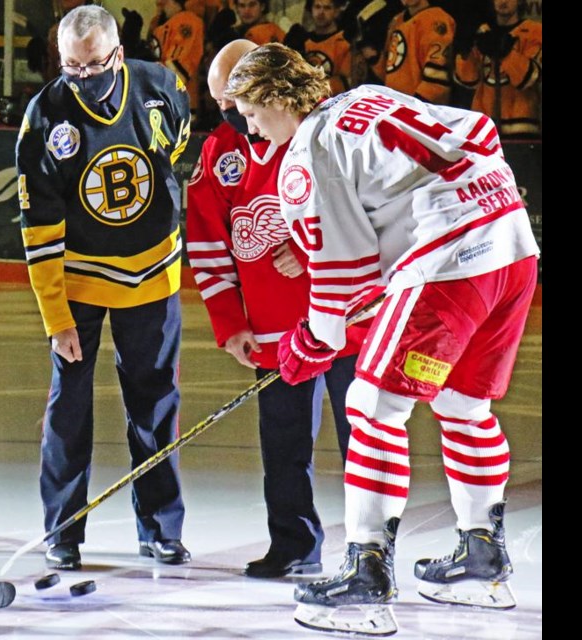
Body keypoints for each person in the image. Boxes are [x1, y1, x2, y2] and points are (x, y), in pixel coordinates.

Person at [226, 43, 538, 633]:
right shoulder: (368, 98)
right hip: (512, 245)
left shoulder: (306, 156)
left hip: (451, 261)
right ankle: (482, 559)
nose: (250, 126)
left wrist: (308, 347)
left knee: (371, 406)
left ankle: (366, 576)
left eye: (249, 111)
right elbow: (479, 130)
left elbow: (339, 286)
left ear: (274, 98)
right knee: (463, 403)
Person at [15, 4, 192, 571]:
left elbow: (182, 160)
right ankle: (62, 530)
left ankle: (161, 528)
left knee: (156, 405)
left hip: (153, 275)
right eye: (70, 67)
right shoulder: (45, 116)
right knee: (68, 410)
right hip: (80, 283)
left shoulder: (163, 86)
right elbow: (38, 230)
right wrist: (56, 317)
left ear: (117, 53)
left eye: (93, 65)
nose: (82, 78)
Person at [187, 40, 367, 579]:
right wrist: (231, 324)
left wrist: (313, 247)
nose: (232, 116)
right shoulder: (221, 152)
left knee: (365, 440)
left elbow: (372, 220)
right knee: (284, 447)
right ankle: (293, 543)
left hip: (349, 323)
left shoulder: (329, 135)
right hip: (275, 333)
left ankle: (370, 553)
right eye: (222, 105)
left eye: (238, 102)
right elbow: (207, 244)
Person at [454, 0, 542, 139]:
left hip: (521, 130)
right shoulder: (483, 32)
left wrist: (506, 53)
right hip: (483, 130)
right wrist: (465, 53)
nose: (503, 1)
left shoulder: (535, 31)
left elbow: (530, 77)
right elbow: (468, 81)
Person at [369, 0, 455, 104]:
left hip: (421, 111)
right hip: (395, 105)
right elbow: (390, 72)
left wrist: (412, 107)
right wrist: (371, 55)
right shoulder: (397, 21)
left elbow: (437, 81)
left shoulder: (437, 20)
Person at [285, 0, 353, 96]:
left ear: (336, 12)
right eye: (317, 7)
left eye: (327, 8)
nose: (321, 12)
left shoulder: (344, 41)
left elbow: (343, 82)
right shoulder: (302, 40)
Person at [150, 0, 206, 114]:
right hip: (164, 106)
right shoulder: (159, 23)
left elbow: (179, 75)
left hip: (180, 108)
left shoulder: (188, 21)